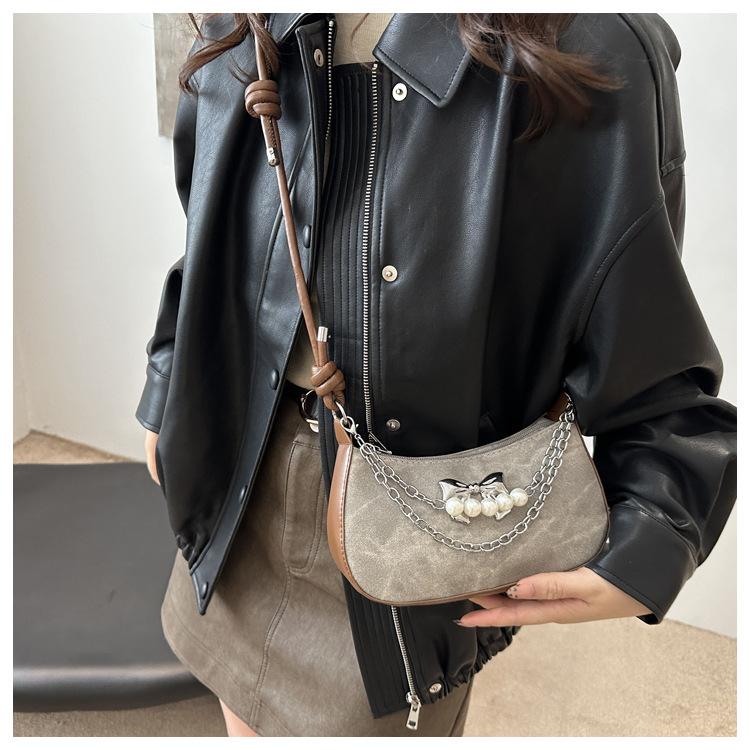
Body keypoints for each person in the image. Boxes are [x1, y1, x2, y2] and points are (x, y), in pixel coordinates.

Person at [137, 12, 737, 737]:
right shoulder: (248, 23)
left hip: (413, 518)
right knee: (238, 713)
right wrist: (168, 382)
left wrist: (658, 527)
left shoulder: (588, 43)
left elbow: (647, 325)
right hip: (234, 481)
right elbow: (208, 226)